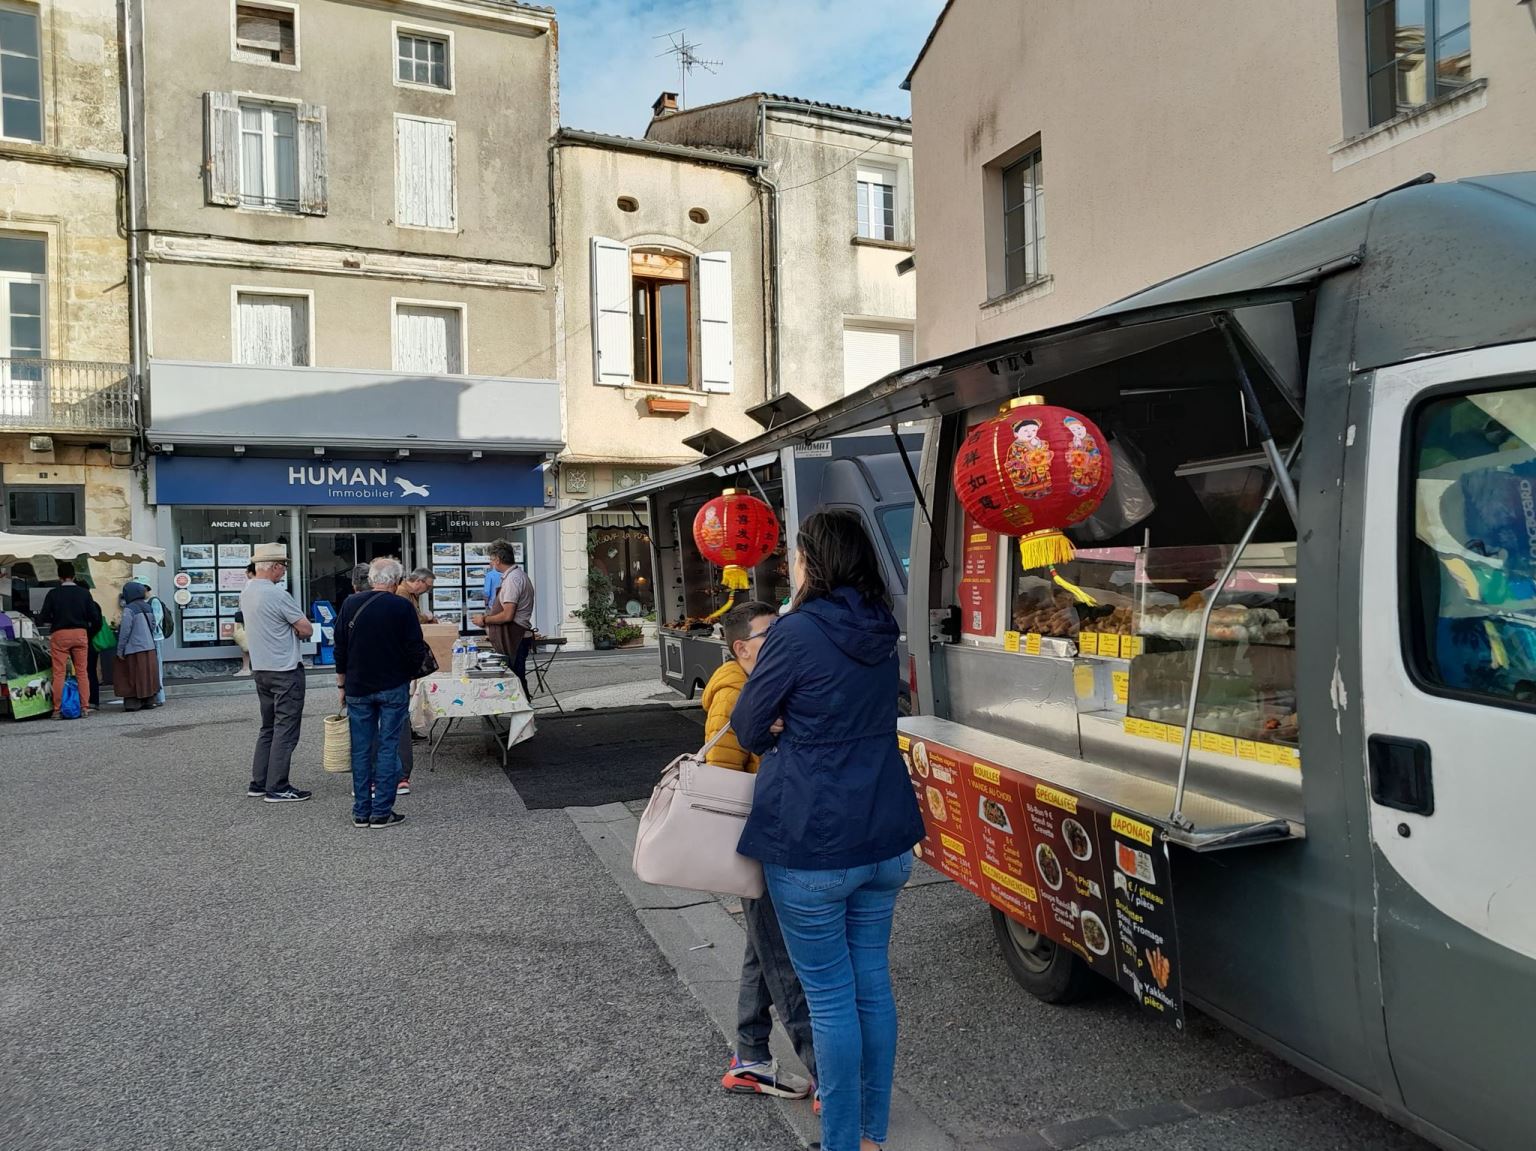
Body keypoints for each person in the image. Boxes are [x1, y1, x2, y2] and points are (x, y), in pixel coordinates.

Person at [731, 510, 925, 1151]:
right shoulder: (881, 625)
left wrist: (785, 720)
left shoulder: (795, 631)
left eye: (795, 554)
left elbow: (749, 725)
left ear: (813, 561)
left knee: (831, 997)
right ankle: (869, 1132)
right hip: (885, 833)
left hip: (813, 838)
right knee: (871, 983)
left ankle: (844, 1141)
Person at [704, 601, 817, 1103]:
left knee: (762, 948)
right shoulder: (735, 691)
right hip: (759, 837)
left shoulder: (761, 684)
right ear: (742, 648)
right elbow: (722, 779)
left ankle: (749, 1057)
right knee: (783, 957)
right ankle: (826, 1075)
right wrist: (762, 733)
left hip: (770, 834)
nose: (781, 640)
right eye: (770, 634)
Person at [334, 556, 427, 829]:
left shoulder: (350, 604)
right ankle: (382, 811)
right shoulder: (402, 606)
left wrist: (341, 684)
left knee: (361, 748)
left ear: (372, 579)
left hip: (358, 685)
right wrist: (409, 675)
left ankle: (361, 810)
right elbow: (415, 648)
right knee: (388, 746)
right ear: (396, 581)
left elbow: (340, 648)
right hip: (392, 685)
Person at [240, 543, 315, 803]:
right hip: (285, 668)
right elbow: (306, 629)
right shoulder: (277, 594)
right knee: (286, 728)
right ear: (273, 567)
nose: (284, 570)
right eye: (283, 566)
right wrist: (293, 628)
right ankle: (278, 786)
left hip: (261, 667)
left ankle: (259, 782)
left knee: (268, 727)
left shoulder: (247, 591)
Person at [36, 561, 101, 719]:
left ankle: (57, 710)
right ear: (74, 576)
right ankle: (84, 707)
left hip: (60, 634)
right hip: (80, 634)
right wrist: (86, 629)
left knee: (59, 673)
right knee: (82, 672)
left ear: (59, 577)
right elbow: (95, 617)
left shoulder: (53, 593)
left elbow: (43, 617)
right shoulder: (84, 593)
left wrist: (54, 620)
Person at [473, 539, 535, 698]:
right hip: (514, 636)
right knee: (515, 680)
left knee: (514, 680)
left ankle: (522, 711)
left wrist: (484, 620)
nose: (490, 563)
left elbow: (507, 615)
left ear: (498, 559)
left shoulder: (513, 580)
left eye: (491, 559)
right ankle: (522, 709)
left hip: (514, 637)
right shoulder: (516, 576)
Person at [114, 582, 163, 711]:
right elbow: (153, 625)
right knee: (148, 675)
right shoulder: (148, 607)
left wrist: (120, 649)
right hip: (150, 647)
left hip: (134, 648)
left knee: (133, 675)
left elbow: (125, 631)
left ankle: (133, 703)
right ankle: (150, 700)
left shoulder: (129, 609)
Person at [232, 563, 256, 677]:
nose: (246, 573)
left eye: (247, 571)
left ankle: (246, 668)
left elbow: (245, 602)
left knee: (245, 642)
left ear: (251, 572)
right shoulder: (261, 584)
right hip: (254, 617)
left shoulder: (250, 584)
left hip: (248, 618)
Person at [147, 588, 169, 705]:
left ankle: (160, 696)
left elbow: (155, 620)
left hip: (156, 637)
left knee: (157, 667)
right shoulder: (148, 601)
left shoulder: (154, 601)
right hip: (153, 638)